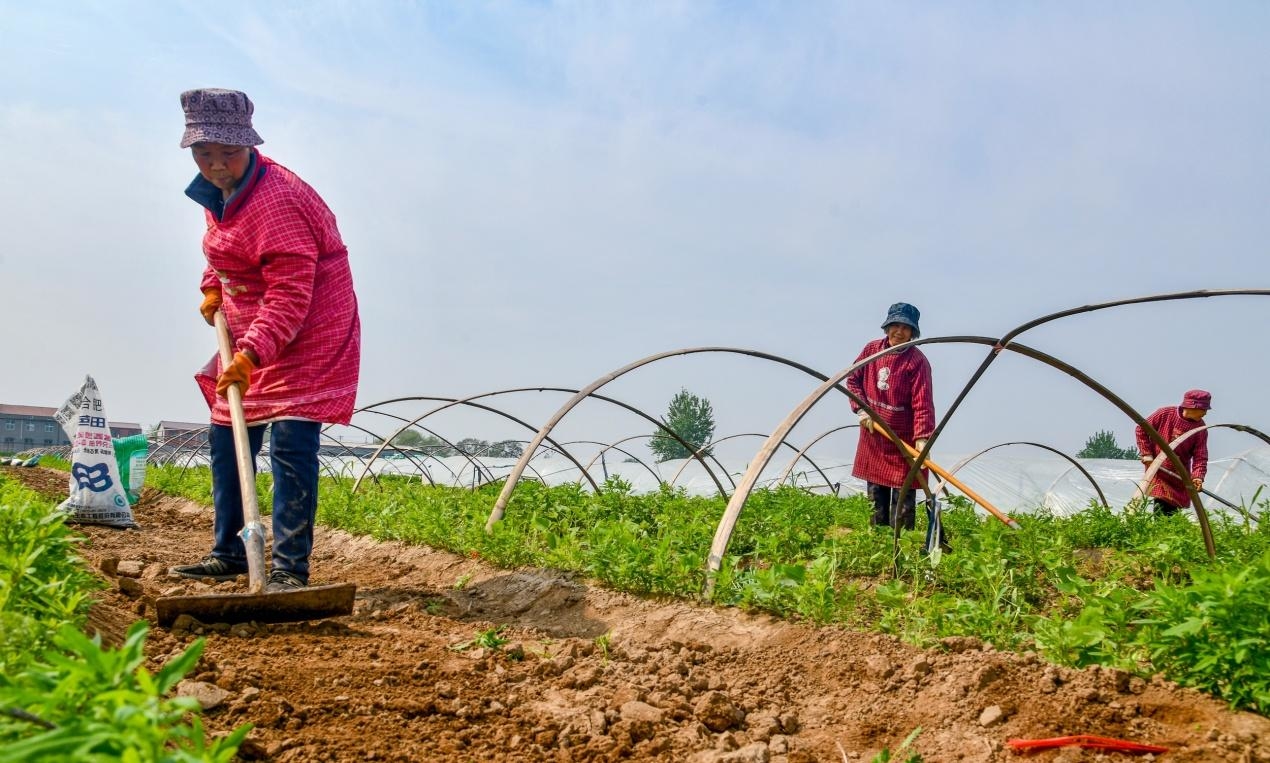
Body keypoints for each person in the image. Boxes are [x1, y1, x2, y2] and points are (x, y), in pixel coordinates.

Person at [169, 88, 361, 592]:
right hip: (251, 319)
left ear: (249, 147)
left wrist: (252, 353)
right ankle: (230, 552)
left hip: (310, 325)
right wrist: (213, 287)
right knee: (226, 433)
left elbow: (290, 297)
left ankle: (288, 569)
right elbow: (223, 250)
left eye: (226, 154)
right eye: (203, 155)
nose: (216, 166)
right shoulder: (218, 190)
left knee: (291, 441)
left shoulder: (279, 202)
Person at [846, 303, 935, 530]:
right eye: (895, 325)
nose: (899, 331)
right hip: (875, 435)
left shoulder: (917, 361)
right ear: (886, 327)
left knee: (904, 498)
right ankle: (877, 542)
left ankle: (902, 546)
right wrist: (862, 410)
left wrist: (922, 438)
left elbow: (922, 402)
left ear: (913, 332)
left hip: (903, 440)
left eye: (905, 328)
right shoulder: (871, 350)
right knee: (876, 495)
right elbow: (852, 380)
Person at [1134, 389, 1211, 517]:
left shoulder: (1200, 429)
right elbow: (1141, 429)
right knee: (1162, 506)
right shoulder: (1165, 414)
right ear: (1192, 406)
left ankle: (1165, 534)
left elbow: (1200, 456)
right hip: (1159, 470)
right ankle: (1160, 534)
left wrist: (1197, 476)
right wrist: (1147, 454)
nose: (1205, 413)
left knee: (1172, 512)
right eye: (1203, 409)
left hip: (1179, 475)